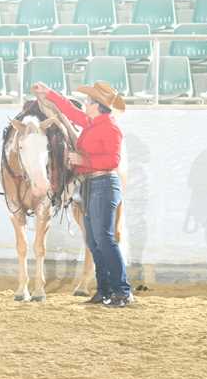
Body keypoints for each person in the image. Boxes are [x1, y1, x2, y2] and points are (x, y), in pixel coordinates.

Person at [32, 80, 132, 307]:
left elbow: (113, 161)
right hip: (92, 186)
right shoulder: (92, 123)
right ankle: (105, 290)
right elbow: (69, 111)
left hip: (104, 184)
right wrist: (49, 93)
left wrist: (82, 160)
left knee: (103, 239)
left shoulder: (110, 128)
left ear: (97, 105)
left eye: (88, 101)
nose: (85, 104)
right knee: (95, 241)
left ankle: (122, 291)